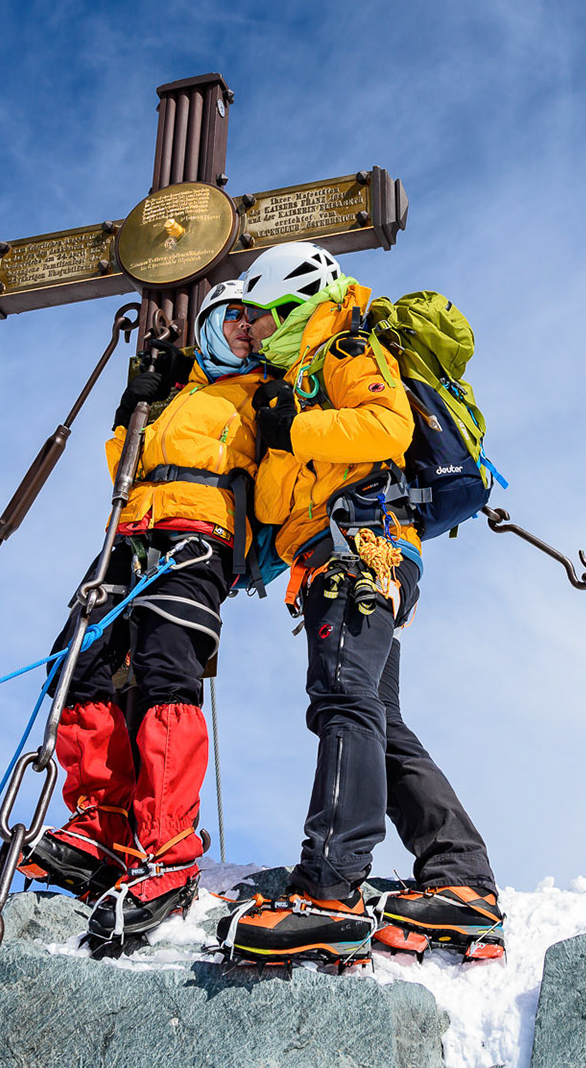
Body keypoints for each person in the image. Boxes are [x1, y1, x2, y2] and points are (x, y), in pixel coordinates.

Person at [215, 242, 504, 965]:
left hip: (362, 549)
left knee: (344, 700)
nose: (249, 329)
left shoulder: (343, 346)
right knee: (378, 716)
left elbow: (387, 427)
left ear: (292, 299)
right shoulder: (297, 380)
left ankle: (331, 890)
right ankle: (461, 879)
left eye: (256, 314)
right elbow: (287, 505)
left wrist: (292, 429)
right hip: (338, 556)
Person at [17, 279, 266, 954]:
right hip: (130, 533)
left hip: (198, 537)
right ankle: (101, 825)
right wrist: (133, 407)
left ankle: (167, 845)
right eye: (237, 319)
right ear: (211, 321)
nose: (249, 330)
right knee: (76, 663)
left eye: (258, 322)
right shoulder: (178, 394)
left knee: (165, 672)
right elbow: (119, 467)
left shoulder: (261, 394)